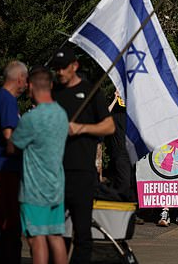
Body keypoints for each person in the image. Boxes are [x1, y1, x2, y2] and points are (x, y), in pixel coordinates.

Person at [51, 46, 115, 263]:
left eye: (63, 68)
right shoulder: (54, 92)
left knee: (82, 230)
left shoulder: (90, 91)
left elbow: (109, 127)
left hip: (81, 171)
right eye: (56, 68)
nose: (60, 72)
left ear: (74, 66)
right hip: (55, 171)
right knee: (56, 231)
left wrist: (81, 128)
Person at [10, 66, 69, 264]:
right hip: (56, 186)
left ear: (30, 86)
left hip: (35, 189)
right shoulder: (61, 114)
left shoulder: (31, 118)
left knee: (36, 240)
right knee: (55, 237)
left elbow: (13, 146)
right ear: (51, 85)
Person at [0, 60, 28, 264]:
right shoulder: (7, 100)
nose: (26, 84)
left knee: (0, 226)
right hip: (7, 169)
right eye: (26, 79)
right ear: (19, 78)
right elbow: (9, 136)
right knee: (9, 225)